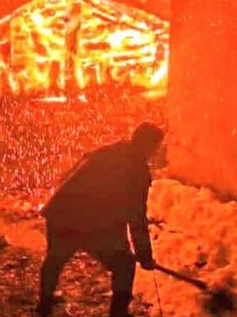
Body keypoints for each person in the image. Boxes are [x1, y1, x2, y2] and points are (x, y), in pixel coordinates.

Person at [36, 122, 165, 317]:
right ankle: (118, 313)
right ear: (148, 145)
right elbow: (136, 215)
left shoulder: (107, 151)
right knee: (124, 264)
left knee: (55, 258)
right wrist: (144, 254)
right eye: (155, 147)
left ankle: (44, 302)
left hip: (63, 211)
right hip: (92, 221)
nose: (155, 152)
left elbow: (71, 175)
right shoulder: (137, 171)